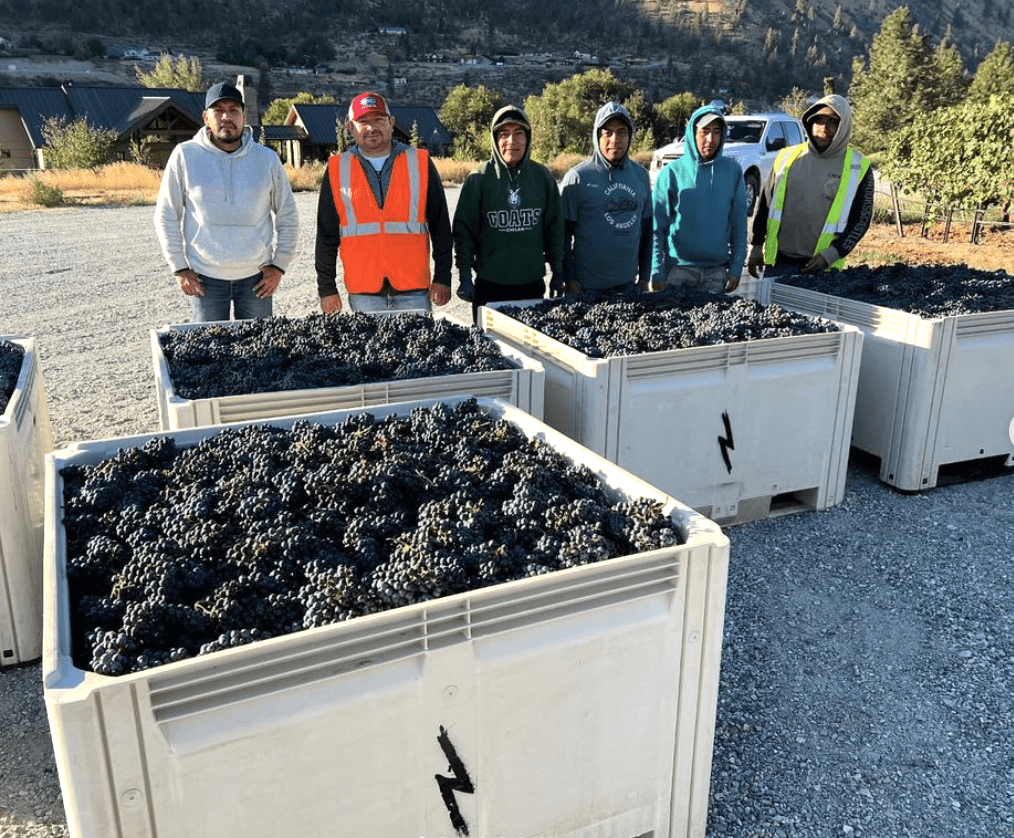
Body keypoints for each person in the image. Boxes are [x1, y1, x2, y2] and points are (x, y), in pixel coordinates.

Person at [154, 81, 299, 322]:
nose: (226, 117)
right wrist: (179, 267)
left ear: (244, 116)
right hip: (205, 280)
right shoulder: (185, 155)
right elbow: (166, 214)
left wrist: (279, 266)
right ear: (205, 117)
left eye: (233, 110)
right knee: (209, 353)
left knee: (260, 353)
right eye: (218, 111)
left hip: (257, 279)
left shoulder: (267, 160)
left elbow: (288, 216)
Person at [315, 91, 452, 313]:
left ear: (391, 123)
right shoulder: (337, 169)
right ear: (350, 128)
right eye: (363, 122)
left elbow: (441, 227)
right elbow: (326, 236)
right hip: (363, 292)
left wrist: (443, 277)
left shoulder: (420, 162)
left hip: (414, 290)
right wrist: (327, 289)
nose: (371, 128)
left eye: (378, 120)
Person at [453, 105, 564, 322]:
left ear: (528, 138)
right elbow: (463, 232)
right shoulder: (479, 179)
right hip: (489, 287)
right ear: (495, 139)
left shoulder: (543, 178)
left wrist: (558, 271)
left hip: (531, 287)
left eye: (518, 134)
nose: (511, 142)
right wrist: (465, 275)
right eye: (504, 134)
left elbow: (555, 230)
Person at [747, 94, 874, 280]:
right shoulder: (787, 158)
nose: (824, 129)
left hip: (823, 269)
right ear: (809, 123)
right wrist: (756, 245)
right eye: (819, 121)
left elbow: (860, 221)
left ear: (844, 126)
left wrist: (831, 255)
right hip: (779, 262)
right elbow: (765, 205)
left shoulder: (859, 167)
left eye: (832, 122)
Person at [650, 103, 747, 294]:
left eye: (716, 132)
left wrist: (736, 268)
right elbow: (656, 228)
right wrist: (656, 270)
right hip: (678, 270)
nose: (710, 139)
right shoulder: (671, 173)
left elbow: (739, 225)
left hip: (716, 272)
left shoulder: (732, 171)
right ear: (693, 133)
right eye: (704, 131)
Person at [560, 102, 652, 294]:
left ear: (630, 136)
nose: (615, 139)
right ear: (597, 135)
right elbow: (563, 236)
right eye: (607, 132)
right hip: (585, 287)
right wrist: (569, 278)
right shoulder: (577, 178)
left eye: (622, 132)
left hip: (628, 285)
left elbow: (647, 232)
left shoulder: (641, 176)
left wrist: (644, 276)